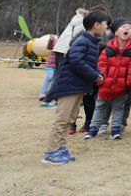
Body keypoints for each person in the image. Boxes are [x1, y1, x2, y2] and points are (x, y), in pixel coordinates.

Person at [42, 10, 109, 164]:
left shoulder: (92, 42)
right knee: (62, 119)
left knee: (69, 119)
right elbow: (76, 61)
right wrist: (94, 75)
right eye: (105, 24)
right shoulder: (82, 41)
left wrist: (98, 74)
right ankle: (51, 152)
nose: (106, 27)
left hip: (80, 86)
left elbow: (92, 63)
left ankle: (61, 147)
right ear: (96, 25)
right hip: (69, 86)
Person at [84, 19, 131, 141]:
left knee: (119, 108)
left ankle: (116, 129)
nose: (127, 29)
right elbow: (101, 66)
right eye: (124, 27)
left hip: (122, 87)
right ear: (115, 32)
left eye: (130, 28)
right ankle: (93, 129)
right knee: (100, 107)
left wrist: (127, 84)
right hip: (105, 86)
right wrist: (102, 81)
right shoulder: (107, 49)